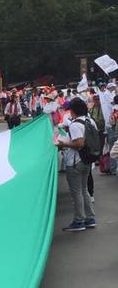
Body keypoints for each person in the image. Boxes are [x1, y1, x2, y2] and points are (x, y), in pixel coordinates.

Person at [55, 96, 96, 231]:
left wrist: (63, 143)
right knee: (84, 190)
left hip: (75, 162)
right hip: (87, 160)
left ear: (73, 110)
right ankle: (90, 218)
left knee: (76, 192)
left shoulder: (75, 124)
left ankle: (79, 221)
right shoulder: (90, 121)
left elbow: (79, 143)